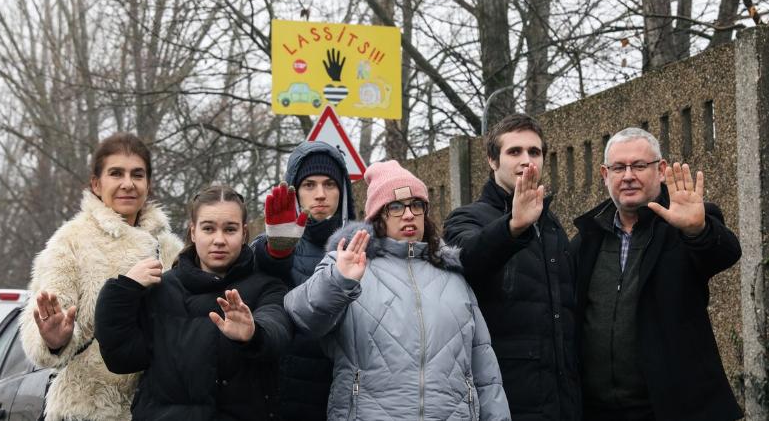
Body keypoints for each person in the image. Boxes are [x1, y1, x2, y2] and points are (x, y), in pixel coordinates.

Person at [284, 160, 511, 420]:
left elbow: (484, 369)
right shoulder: (349, 263)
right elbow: (303, 316)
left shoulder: (454, 276)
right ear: (377, 217)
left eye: (417, 205)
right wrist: (339, 280)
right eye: (395, 206)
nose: (408, 214)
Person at [573, 127, 742, 421]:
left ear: (661, 170)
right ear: (604, 174)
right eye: (618, 167)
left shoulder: (685, 223)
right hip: (598, 411)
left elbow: (725, 253)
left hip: (673, 409)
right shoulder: (587, 238)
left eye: (639, 166)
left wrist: (697, 231)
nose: (628, 176)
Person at [19, 133, 183, 421]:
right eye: (116, 173)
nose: (128, 184)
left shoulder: (171, 248)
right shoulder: (70, 242)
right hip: (87, 408)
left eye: (137, 174)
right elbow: (42, 330)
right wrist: (54, 339)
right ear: (96, 184)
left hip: (158, 408)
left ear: (148, 184)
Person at [95, 184, 293, 420]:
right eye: (208, 228)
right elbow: (122, 359)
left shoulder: (267, 286)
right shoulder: (160, 289)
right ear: (193, 232)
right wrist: (121, 292)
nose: (219, 240)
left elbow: (277, 329)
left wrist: (254, 335)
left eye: (230, 230)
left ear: (244, 234)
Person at [443, 113, 579, 420]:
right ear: (493, 161)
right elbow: (467, 258)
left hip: (561, 397)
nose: (526, 160)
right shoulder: (466, 218)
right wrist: (512, 228)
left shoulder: (553, 225)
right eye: (514, 151)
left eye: (534, 152)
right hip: (504, 396)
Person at [253, 140, 356, 420]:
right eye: (309, 185)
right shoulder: (274, 242)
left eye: (329, 184)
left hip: (348, 393)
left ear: (343, 190)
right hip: (285, 394)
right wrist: (277, 250)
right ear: (294, 190)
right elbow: (259, 272)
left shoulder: (363, 246)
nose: (320, 194)